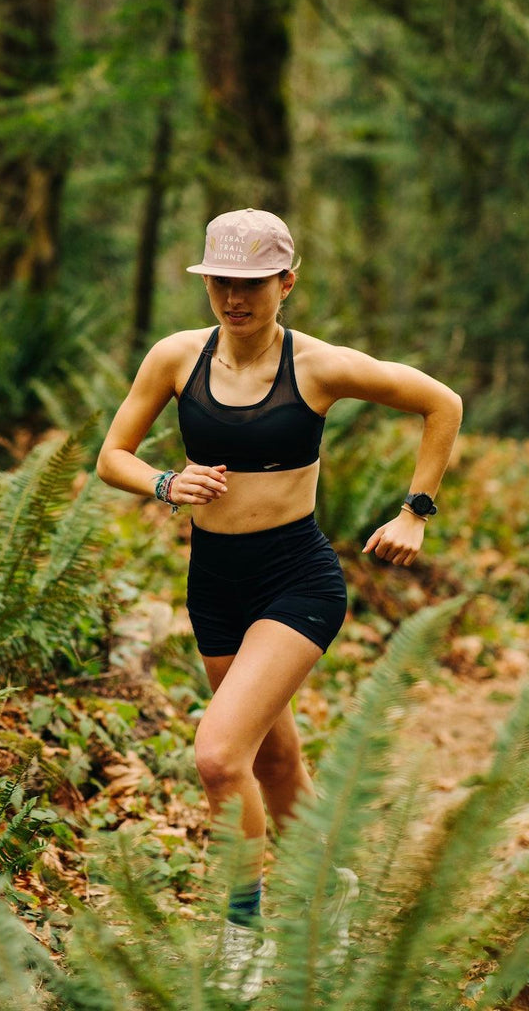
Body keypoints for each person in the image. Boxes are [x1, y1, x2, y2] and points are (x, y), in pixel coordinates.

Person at [96, 207, 463, 1000]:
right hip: (215, 583)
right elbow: (110, 455)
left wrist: (414, 513)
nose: (234, 297)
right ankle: (331, 890)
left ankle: (243, 935)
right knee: (274, 758)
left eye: (252, 283)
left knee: (218, 755)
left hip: (297, 578)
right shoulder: (175, 358)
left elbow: (443, 402)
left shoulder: (319, 367)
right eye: (221, 281)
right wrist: (165, 482)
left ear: (286, 284)